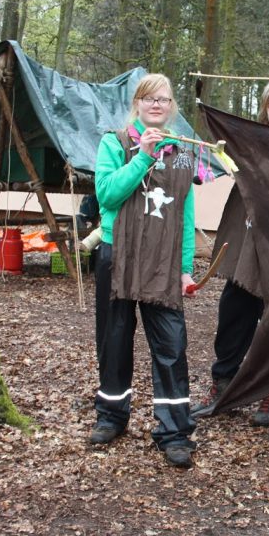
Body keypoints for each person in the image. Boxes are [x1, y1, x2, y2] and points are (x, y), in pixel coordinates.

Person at [88, 73, 198, 469]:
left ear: (171, 107)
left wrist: (185, 269)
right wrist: (144, 156)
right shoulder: (114, 143)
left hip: (163, 261)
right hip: (119, 254)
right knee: (114, 339)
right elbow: (107, 194)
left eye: (164, 100)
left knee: (171, 345)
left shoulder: (184, 151)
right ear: (137, 103)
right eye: (149, 98)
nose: (156, 105)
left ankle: (174, 431)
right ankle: (111, 415)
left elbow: (186, 213)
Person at [191, 80, 269, 426]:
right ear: (265, 110)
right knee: (234, 313)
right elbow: (205, 170)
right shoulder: (249, 143)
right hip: (248, 245)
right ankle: (223, 384)